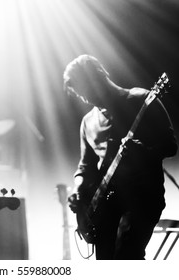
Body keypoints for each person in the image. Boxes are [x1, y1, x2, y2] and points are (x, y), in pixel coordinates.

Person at [63, 54, 177, 259]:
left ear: (98, 77)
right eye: (79, 94)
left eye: (84, 90)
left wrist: (143, 150)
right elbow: (85, 167)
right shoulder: (87, 122)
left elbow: (170, 145)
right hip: (105, 205)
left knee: (127, 255)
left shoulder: (143, 100)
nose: (84, 98)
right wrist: (78, 189)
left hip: (142, 198)